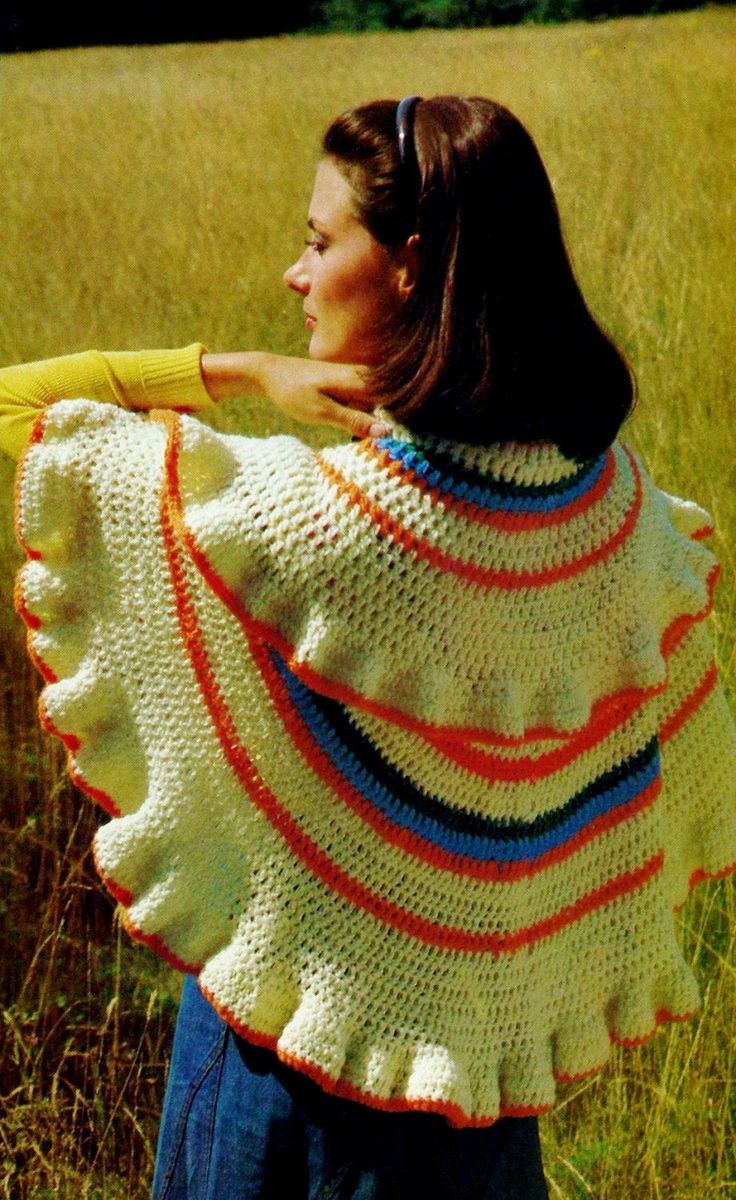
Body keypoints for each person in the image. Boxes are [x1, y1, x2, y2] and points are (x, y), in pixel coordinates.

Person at [3, 95, 735, 1200]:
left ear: (407, 267)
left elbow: (16, 412)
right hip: (480, 1118)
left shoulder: (297, 516)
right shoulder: (625, 522)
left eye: (316, 242)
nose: (295, 275)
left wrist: (235, 370)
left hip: (273, 1074)